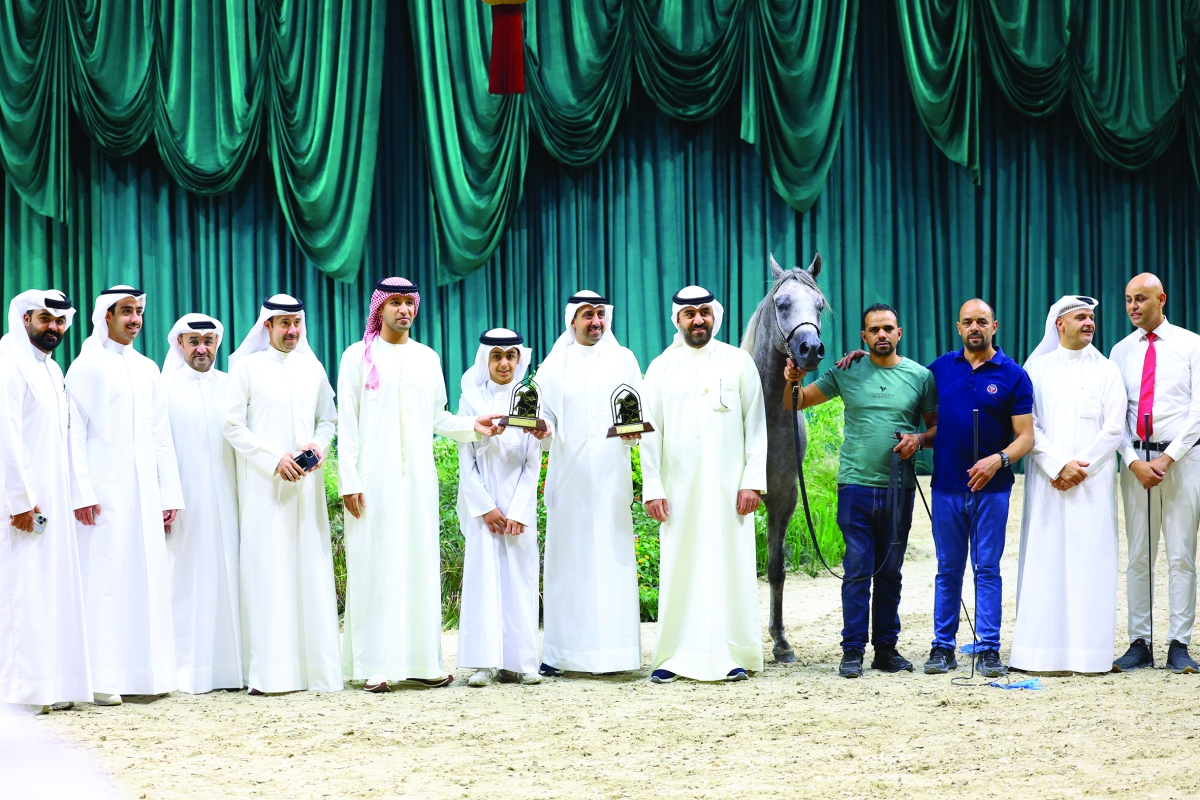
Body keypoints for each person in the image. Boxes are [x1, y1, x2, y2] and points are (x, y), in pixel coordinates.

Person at [337, 279, 500, 691]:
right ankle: (376, 665)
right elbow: (347, 422)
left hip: (419, 481)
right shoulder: (357, 356)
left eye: (409, 302)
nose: (404, 310)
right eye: (395, 302)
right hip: (372, 481)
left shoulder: (428, 357)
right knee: (376, 567)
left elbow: (437, 417)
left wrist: (473, 425)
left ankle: (423, 664)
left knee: (418, 565)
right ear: (379, 308)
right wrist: (349, 479)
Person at [784, 303, 937, 678]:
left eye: (888, 328)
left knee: (890, 572)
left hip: (899, 488)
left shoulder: (920, 377)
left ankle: (886, 649)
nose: (882, 334)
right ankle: (852, 650)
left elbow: (936, 429)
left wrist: (918, 440)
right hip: (855, 486)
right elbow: (796, 402)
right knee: (857, 569)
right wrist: (793, 379)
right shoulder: (846, 370)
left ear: (899, 333)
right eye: (874, 329)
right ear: (863, 336)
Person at [641, 287, 768, 683]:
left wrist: (752, 483)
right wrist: (652, 486)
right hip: (678, 491)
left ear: (715, 316)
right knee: (681, 568)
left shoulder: (738, 362)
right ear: (677, 319)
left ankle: (733, 654)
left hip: (731, 492)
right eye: (690, 314)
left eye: (704, 313)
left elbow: (756, 426)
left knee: (732, 567)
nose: (698, 320)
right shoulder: (660, 368)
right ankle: (674, 656)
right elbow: (649, 434)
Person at [66, 286, 184, 706]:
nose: (135, 319)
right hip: (103, 493)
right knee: (104, 578)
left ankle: (149, 674)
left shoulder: (148, 368)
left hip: (145, 493)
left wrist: (168, 494)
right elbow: (73, 433)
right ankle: (102, 678)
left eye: (138, 312)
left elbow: (161, 437)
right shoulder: (86, 366)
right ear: (107, 316)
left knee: (148, 577)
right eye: (126, 312)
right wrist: (81, 491)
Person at [224, 295, 340, 694]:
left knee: (310, 570)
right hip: (264, 489)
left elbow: (328, 420)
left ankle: (317, 673)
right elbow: (232, 425)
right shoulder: (246, 368)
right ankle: (270, 675)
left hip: (307, 491)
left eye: (296, 323)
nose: (292, 330)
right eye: (284, 323)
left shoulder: (313, 368)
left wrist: (317, 447)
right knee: (269, 572)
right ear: (268, 326)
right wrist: (274, 459)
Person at [1010, 296, 1125, 673]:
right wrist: (1059, 465)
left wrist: (1079, 468)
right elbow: (1029, 426)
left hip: (1092, 485)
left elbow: (1114, 429)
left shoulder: (1107, 370)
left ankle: (1090, 656)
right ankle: (1038, 654)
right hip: (1048, 482)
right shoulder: (1036, 369)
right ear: (1059, 324)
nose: (1089, 323)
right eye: (1081, 317)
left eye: (1091, 317)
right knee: (1046, 562)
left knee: (1091, 564)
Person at [921, 300, 1034, 678]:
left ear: (994, 326)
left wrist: (997, 460)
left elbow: (1025, 437)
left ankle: (988, 648)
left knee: (987, 569)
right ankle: (942, 647)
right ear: (958, 327)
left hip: (993, 490)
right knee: (948, 569)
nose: (974, 327)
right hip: (947, 488)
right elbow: (900, 375)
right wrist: (860, 358)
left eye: (981, 322)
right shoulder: (940, 368)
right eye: (968, 322)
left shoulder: (1013, 375)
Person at [535, 291, 644, 677]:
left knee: (613, 564)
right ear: (573, 321)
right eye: (587, 315)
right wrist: (542, 428)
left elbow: (635, 413)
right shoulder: (554, 365)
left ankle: (618, 655)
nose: (595, 321)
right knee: (569, 567)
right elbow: (544, 419)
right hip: (569, 485)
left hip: (611, 484)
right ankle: (562, 655)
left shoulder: (624, 359)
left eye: (600, 314)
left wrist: (634, 434)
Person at [0, 290, 92, 714]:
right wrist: (19, 501)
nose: (53, 327)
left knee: (49, 593)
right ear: (25, 320)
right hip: (23, 505)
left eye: (59, 320)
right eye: (45, 319)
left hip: (52, 501)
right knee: (23, 593)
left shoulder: (52, 369)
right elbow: (6, 437)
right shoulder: (9, 362)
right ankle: (21, 691)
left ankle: (50, 685)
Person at [1109, 273, 1200, 673]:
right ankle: (1139, 642)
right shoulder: (1120, 351)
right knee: (1139, 555)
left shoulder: (1191, 345)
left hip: (1182, 460)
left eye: (1141, 298)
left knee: (1181, 554)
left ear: (1161, 299)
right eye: (1129, 299)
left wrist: (1168, 458)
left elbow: (1198, 411)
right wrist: (1132, 461)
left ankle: (1179, 643)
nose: (1133, 306)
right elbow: (1114, 417)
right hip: (1136, 463)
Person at [455, 329, 545, 688]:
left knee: (519, 581)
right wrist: (484, 507)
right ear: (486, 360)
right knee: (484, 580)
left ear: (519, 359)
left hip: (518, 509)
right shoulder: (470, 401)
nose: (504, 363)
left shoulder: (529, 397)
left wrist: (519, 510)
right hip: (484, 511)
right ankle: (485, 664)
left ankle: (521, 663)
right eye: (497, 356)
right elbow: (466, 461)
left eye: (510, 355)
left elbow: (533, 460)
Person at [161, 314, 243, 693]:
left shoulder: (231, 386)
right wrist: (165, 496)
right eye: (193, 341)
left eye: (208, 341)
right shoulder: (163, 388)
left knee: (230, 577)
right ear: (180, 344)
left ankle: (231, 668)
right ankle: (188, 670)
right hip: (184, 503)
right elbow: (157, 447)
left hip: (230, 500)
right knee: (186, 580)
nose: (202, 349)